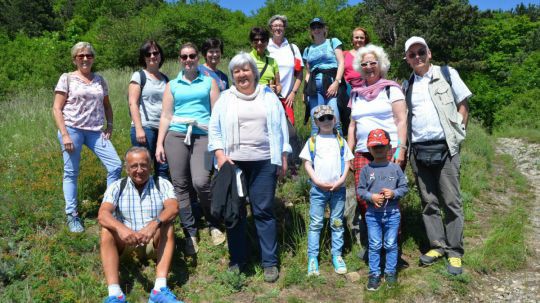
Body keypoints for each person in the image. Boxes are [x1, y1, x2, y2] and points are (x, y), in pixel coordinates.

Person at [208, 52, 291, 283]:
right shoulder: (225, 98)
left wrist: (283, 156)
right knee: (234, 213)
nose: (242, 74)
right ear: (233, 75)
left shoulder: (269, 97)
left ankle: (269, 262)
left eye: (246, 69)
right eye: (236, 71)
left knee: (263, 210)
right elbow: (214, 129)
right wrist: (220, 155)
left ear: (254, 73)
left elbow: (281, 128)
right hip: (233, 163)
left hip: (264, 161)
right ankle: (238, 260)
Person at [403, 36, 471, 275]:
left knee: (452, 202)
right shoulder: (406, 84)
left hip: (446, 149)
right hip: (419, 150)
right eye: (412, 55)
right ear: (408, 60)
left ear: (429, 53)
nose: (418, 57)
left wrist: (459, 133)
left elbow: (463, 104)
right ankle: (437, 246)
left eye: (421, 52)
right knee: (428, 202)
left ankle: (455, 252)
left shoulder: (447, 73)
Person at [155, 42, 223, 254]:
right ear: (179, 59)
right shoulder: (172, 85)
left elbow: (217, 113)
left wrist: (220, 142)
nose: (188, 60)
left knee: (201, 181)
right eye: (184, 57)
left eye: (192, 56)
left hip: (202, 135)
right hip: (176, 136)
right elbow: (166, 115)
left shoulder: (209, 82)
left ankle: (213, 222)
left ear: (197, 58)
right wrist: (159, 143)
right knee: (180, 185)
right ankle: (190, 232)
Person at [52, 41, 122, 233]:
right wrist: (65, 134)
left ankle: (109, 209)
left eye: (88, 55)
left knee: (115, 165)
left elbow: (107, 105)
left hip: (95, 131)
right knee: (71, 172)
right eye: (80, 56)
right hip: (72, 129)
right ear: (75, 59)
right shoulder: (67, 78)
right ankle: (72, 215)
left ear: (93, 58)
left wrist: (110, 125)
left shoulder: (100, 80)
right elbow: (57, 108)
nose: (85, 59)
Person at [98, 147, 182, 303]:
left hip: (153, 243)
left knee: (167, 225)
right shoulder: (117, 186)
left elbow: (173, 207)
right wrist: (121, 229)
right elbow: (103, 214)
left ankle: (159, 289)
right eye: (134, 166)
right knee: (106, 230)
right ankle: (115, 294)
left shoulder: (161, 183)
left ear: (150, 166)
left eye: (143, 165)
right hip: (126, 243)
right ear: (126, 169)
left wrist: (154, 224)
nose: (139, 170)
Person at [347, 44, 407, 256]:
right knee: (365, 198)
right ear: (360, 67)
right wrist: (348, 154)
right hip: (362, 152)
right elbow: (352, 126)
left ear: (381, 64)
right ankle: (374, 244)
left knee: (389, 199)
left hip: (387, 151)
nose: (369, 67)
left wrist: (401, 149)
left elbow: (401, 121)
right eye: (364, 64)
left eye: (373, 63)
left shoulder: (392, 89)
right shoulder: (356, 94)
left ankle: (392, 247)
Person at [299, 105, 354, 276]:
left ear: (335, 119)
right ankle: (313, 258)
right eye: (322, 119)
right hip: (318, 190)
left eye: (329, 117)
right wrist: (316, 180)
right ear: (316, 122)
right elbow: (307, 163)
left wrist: (341, 180)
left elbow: (347, 162)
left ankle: (337, 255)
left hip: (338, 189)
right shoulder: (312, 141)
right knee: (316, 224)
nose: (326, 121)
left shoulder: (341, 140)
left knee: (337, 223)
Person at [357, 129, 408, 291]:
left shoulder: (395, 168)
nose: (378, 149)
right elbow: (360, 191)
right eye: (375, 147)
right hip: (372, 215)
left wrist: (393, 193)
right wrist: (371, 197)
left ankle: (391, 272)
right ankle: (374, 274)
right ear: (369, 148)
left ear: (389, 147)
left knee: (391, 244)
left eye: (382, 146)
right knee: (375, 244)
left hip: (392, 214)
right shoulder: (366, 169)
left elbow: (404, 188)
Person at [128, 40, 170, 179]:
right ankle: (139, 197)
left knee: (163, 166)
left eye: (155, 53)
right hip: (145, 129)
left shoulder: (165, 79)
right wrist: (139, 129)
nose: (152, 56)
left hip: (163, 129)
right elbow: (132, 103)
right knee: (143, 167)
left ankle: (162, 197)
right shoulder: (139, 76)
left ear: (160, 55)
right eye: (148, 53)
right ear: (144, 57)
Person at [302, 17, 345, 135]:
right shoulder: (307, 49)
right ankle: (314, 152)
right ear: (311, 31)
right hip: (314, 88)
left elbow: (341, 62)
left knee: (335, 121)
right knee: (316, 124)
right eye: (313, 27)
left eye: (319, 26)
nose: (316, 29)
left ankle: (340, 152)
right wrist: (305, 92)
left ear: (324, 28)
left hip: (331, 83)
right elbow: (308, 73)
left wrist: (337, 82)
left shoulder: (333, 42)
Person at [267, 15, 303, 125]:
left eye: (280, 25)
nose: (278, 28)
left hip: (287, 99)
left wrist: (293, 93)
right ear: (271, 28)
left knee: (289, 131)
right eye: (275, 25)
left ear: (284, 28)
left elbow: (300, 73)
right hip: (268, 98)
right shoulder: (266, 47)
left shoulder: (292, 48)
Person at [248, 27, 282, 95]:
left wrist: (276, 89)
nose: (259, 42)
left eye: (263, 40)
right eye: (256, 40)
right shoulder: (246, 59)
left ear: (267, 42)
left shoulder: (273, 61)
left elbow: (278, 85)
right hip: (251, 100)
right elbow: (242, 85)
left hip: (269, 99)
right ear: (251, 42)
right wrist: (265, 87)